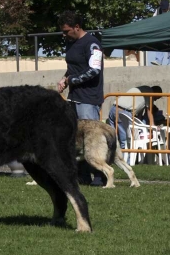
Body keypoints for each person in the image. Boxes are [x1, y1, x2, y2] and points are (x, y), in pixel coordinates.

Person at [56, 10, 105, 186]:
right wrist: (65, 78)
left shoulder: (93, 44)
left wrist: (72, 79)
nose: (64, 34)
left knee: (92, 139)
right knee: (76, 138)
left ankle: (100, 176)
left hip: (89, 99)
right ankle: (82, 175)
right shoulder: (70, 43)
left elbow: (94, 70)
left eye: (67, 31)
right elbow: (73, 68)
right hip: (73, 98)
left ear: (77, 27)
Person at [107, 85, 164, 150]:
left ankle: (111, 158)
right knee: (126, 142)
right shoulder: (149, 92)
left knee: (112, 139)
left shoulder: (141, 92)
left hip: (113, 109)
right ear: (156, 93)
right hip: (123, 113)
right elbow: (149, 111)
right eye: (157, 97)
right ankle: (125, 159)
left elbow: (138, 116)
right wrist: (153, 125)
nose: (155, 100)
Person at [151, 0, 170, 66]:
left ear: (168, 6)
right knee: (160, 44)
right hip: (161, 31)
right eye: (163, 9)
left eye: (165, 9)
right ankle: (158, 61)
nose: (164, 10)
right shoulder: (158, 10)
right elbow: (153, 20)